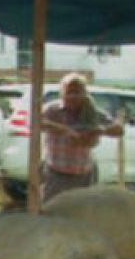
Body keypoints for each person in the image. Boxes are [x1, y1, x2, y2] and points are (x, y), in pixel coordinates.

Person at [39, 72, 122, 203]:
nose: (73, 96)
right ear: (62, 93)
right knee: (52, 207)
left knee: (83, 208)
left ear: (85, 93)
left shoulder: (92, 111)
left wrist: (101, 130)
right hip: (57, 173)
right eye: (70, 92)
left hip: (84, 174)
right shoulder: (52, 110)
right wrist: (65, 130)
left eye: (77, 92)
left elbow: (119, 129)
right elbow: (37, 123)